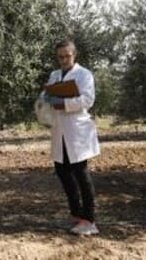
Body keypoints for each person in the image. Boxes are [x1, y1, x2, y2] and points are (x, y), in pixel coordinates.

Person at [44, 39, 100, 236]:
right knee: (62, 171)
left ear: (74, 55)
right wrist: (48, 98)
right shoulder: (54, 75)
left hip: (77, 131)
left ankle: (90, 220)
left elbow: (88, 99)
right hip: (60, 130)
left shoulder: (84, 75)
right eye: (60, 57)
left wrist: (64, 104)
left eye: (67, 56)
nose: (64, 60)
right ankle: (77, 214)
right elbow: (48, 95)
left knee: (81, 174)